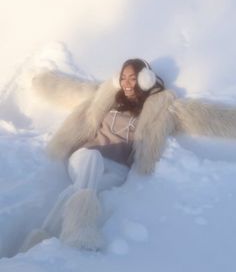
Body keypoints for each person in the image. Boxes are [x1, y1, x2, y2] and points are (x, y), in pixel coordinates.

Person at [21, 58, 236, 252]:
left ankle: (42, 239)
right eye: (122, 77)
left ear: (145, 80)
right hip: (84, 157)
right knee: (92, 160)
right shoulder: (107, 97)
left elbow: (202, 116)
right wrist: (44, 82)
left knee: (80, 189)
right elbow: (72, 90)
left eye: (132, 78)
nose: (126, 82)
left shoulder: (160, 109)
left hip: (116, 169)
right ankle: (80, 229)